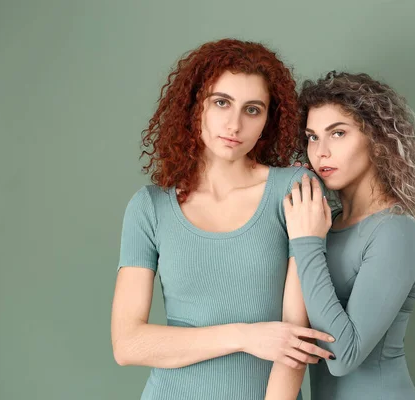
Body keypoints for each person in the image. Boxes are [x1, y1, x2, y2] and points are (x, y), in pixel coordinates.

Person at [110, 39, 335, 400]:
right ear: (194, 105)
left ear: (268, 119)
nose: (234, 124)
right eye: (221, 102)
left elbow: (294, 341)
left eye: (252, 109)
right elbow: (127, 344)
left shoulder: (294, 190)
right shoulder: (149, 207)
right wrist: (244, 336)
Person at [284, 71, 415, 399]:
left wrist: (307, 242)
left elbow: (342, 357)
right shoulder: (324, 223)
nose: (320, 151)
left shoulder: (396, 230)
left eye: (337, 133)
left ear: (377, 141)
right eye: (312, 137)